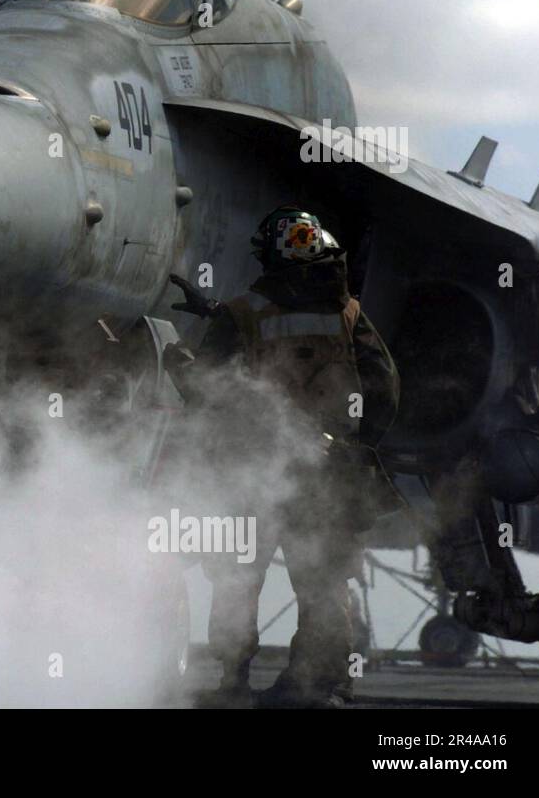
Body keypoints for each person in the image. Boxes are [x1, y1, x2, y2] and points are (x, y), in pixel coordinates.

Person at [167, 206, 399, 707]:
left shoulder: (244, 312)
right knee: (322, 582)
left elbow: (209, 387)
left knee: (236, 579)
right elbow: (385, 388)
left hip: (254, 473)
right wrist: (355, 444)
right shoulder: (349, 314)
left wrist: (177, 359)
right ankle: (320, 686)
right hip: (327, 475)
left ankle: (231, 683)